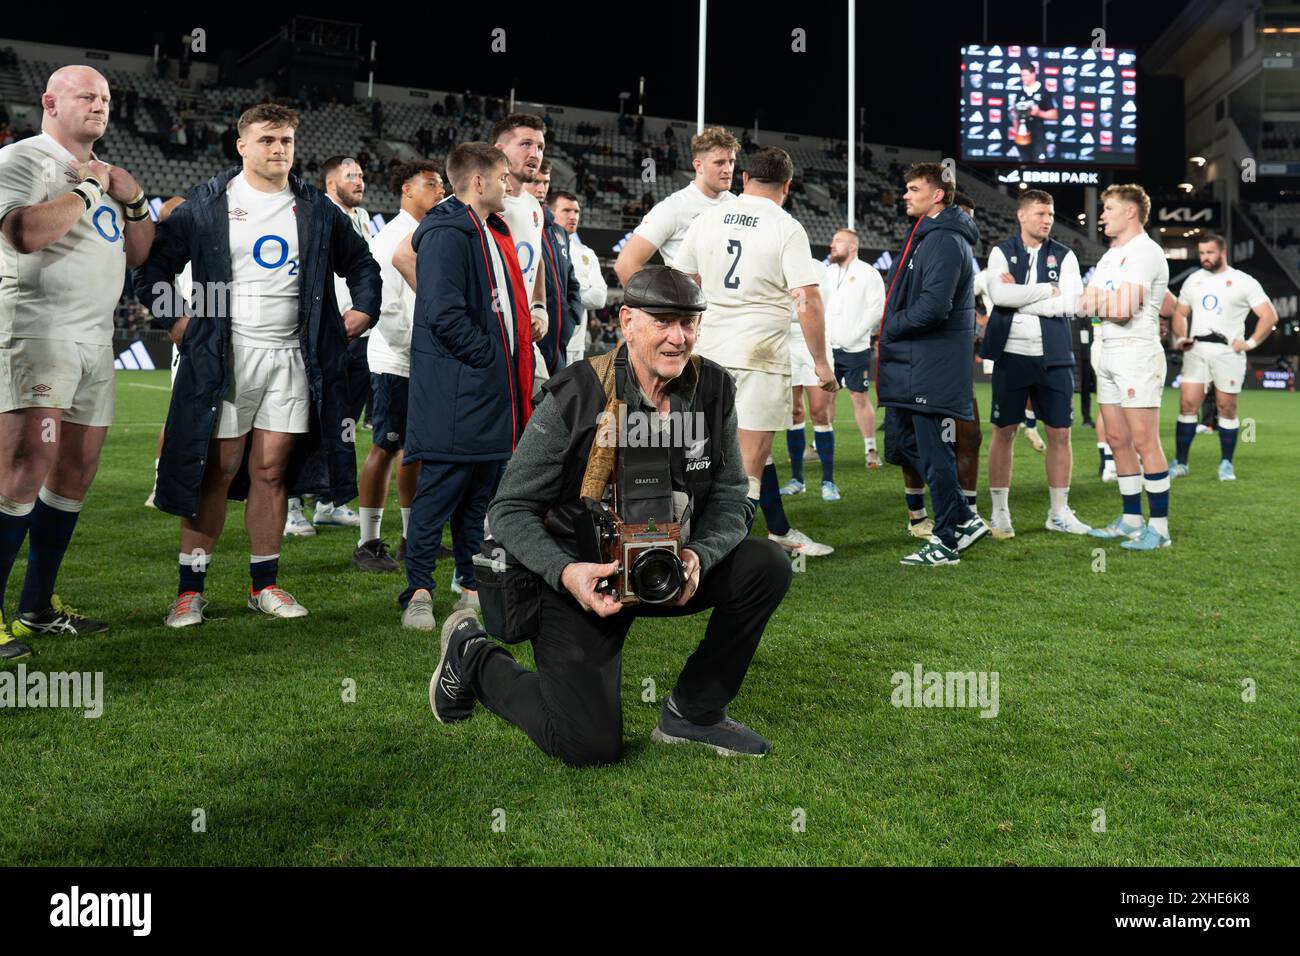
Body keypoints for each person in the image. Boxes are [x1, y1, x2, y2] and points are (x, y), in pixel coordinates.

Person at [429, 266, 790, 764]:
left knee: (766, 565)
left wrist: (700, 555)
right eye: (663, 320)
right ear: (627, 321)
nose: (678, 337)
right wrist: (566, 573)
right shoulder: (576, 394)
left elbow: (731, 495)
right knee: (588, 746)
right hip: (585, 580)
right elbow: (509, 509)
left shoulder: (715, 389)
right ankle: (474, 657)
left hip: (672, 568)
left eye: (689, 323)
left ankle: (694, 713)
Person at [136, 102, 380, 627]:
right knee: (217, 471)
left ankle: (264, 585)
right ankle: (189, 590)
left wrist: (362, 311)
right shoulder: (209, 202)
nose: (278, 150)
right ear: (242, 145)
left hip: (292, 356)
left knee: (271, 473)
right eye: (267, 140)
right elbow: (153, 267)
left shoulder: (314, 206)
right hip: (228, 357)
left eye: (287, 140)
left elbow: (362, 263)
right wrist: (180, 326)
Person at [1, 65, 154, 656]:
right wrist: (89, 189)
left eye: (107, 98)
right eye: (86, 95)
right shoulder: (21, 160)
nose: (100, 105)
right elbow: (23, 234)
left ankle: (37, 607)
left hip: (96, 341)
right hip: (37, 333)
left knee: (75, 472)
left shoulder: (107, 173)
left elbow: (140, 253)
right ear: (49, 101)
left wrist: (133, 199)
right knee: (22, 468)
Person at [394, 142, 534, 630]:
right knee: (438, 495)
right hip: (461, 389)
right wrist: (491, 358)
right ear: (478, 182)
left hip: (488, 390)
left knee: (478, 498)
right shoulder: (450, 231)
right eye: (502, 177)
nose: (508, 185)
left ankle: (468, 584)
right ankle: (417, 591)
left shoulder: (488, 228)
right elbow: (442, 314)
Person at [675, 146, 837, 557]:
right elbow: (807, 299)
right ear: (787, 185)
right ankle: (723, 555)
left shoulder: (707, 218)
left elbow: (680, 282)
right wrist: (820, 363)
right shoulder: (786, 226)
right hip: (759, 353)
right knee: (750, 461)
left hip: (706, 352)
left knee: (700, 453)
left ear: (745, 179)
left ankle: (693, 542)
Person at [877, 163, 988, 566]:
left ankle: (945, 541)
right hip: (915, 360)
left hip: (930, 363)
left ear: (937, 195)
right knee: (902, 445)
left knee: (934, 450)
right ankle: (963, 515)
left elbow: (934, 307)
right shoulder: (930, 234)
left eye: (912, 188)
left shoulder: (942, 238)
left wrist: (891, 326)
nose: (905, 195)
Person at [979, 188, 1090, 537]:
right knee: (1005, 431)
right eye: (1041, 213)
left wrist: (1019, 298)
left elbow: (1069, 304)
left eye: (1051, 215)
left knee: (1060, 432)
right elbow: (999, 295)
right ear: (1022, 215)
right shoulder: (1001, 252)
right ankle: (999, 513)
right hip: (1011, 354)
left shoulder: (1065, 255)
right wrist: (1046, 290)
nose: (1047, 220)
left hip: (1054, 355)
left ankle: (1058, 512)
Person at [351, 161, 443, 572]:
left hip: (420, 360)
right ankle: (367, 542)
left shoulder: (426, 235)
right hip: (396, 358)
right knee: (385, 447)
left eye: (441, 184)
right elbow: (386, 308)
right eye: (430, 184)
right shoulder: (390, 238)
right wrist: (422, 345)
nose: (439, 191)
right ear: (406, 189)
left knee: (414, 451)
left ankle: (411, 537)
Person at [284, 154, 372, 534]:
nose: (359, 181)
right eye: (350, 175)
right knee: (303, 421)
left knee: (344, 423)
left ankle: (329, 500)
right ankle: (291, 505)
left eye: (362, 175)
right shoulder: (311, 214)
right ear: (330, 182)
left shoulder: (362, 219)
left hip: (358, 337)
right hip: (322, 337)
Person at [1082, 184, 1172, 550]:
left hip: (1136, 352)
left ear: (1131, 212)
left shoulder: (1145, 252)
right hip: (1107, 352)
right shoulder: (1110, 256)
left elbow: (1121, 311)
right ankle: (1132, 519)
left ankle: (1160, 529)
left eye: (1109, 208)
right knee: (1117, 439)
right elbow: (1086, 302)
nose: (1102, 215)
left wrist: (1101, 301)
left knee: (1143, 441)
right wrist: (1104, 301)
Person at [1170, 234, 1277, 481]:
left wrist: (1249, 342)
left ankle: (1226, 464)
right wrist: (1181, 336)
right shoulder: (1193, 280)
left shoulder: (1243, 281)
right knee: (1187, 406)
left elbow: (1269, 315)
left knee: (1226, 408)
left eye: (1209, 252)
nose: (1205, 257)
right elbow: (1180, 312)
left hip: (1228, 353)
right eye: (1202, 253)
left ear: (1222, 252)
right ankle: (1181, 462)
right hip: (1196, 350)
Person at [613, 126, 739, 283]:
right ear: (698, 165)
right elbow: (625, 264)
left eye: (731, 162)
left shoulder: (740, 205)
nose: (728, 169)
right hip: (692, 305)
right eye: (719, 162)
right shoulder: (674, 208)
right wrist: (653, 305)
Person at [824, 228, 886, 480]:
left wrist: (857, 333)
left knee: (858, 397)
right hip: (828, 346)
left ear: (852, 246)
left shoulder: (867, 273)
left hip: (855, 347)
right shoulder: (827, 273)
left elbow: (876, 309)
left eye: (837, 241)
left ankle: (870, 449)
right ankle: (820, 443)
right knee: (825, 396)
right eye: (832, 240)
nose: (832, 245)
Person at [780, 256, 836, 498]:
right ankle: (797, 479)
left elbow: (820, 303)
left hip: (812, 337)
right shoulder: (775, 262)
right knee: (794, 412)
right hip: (784, 340)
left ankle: (828, 481)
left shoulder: (817, 267)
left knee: (819, 411)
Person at [527, 160, 582, 375]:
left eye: (546, 182)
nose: (541, 188)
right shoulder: (515, 222)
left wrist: (572, 314)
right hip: (533, 330)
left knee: (555, 401)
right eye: (535, 182)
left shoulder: (558, 233)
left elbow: (571, 279)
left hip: (560, 336)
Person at [549, 189, 607, 367]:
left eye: (576, 211)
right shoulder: (543, 246)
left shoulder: (587, 253)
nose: (573, 216)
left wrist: (569, 291)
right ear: (551, 213)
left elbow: (600, 298)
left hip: (577, 346)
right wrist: (582, 288)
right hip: (547, 341)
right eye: (566, 211)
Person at [1008, 61, 1059, 163]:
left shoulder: (1043, 92)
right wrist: (1016, 132)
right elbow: (1015, 116)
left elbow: (1055, 115)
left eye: (1025, 75)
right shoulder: (1020, 93)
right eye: (1021, 76)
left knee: (1040, 166)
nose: (1023, 78)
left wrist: (1039, 113)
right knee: (1024, 165)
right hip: (1023, 138)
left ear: (1033, 74)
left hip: (1038, 138)